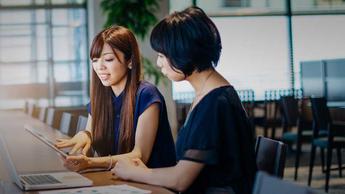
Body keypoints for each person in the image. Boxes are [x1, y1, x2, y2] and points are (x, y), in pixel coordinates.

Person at [112, 6, 257, 194]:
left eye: (162, 55)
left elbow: (180, 180)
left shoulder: (214, 103)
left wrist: (131, 172)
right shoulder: (213, 94)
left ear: (183, 52)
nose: (158, 63)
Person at [55, 26, 176, 171]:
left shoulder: (146, 94)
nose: (100, 66)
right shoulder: (100, 98)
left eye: (108, 59)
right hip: (119, 180)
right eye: (95, 60)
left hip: (155, 185)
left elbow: (140, 156)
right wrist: (84, 135)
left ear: (130, 61)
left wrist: (90, 162)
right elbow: (89, 133)